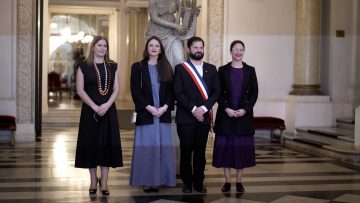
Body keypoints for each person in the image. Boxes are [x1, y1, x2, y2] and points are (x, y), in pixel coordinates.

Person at [74, 36, 123, 196]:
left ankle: (105, 182)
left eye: (105, 46)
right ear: (93, 47)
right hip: (90, 111)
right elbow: (80, 90)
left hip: (108, 110)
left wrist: (107, 105)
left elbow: (116, 89)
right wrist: (95, 107)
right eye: (99, 45)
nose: (102, 48)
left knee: (106, 145)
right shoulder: (83, 66)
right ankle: (93, 179)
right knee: (91, 144)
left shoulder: (113, 66)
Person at [173, 36, 220, 193]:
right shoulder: (181, 69)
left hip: (204, 117)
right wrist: (194, 109)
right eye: (195, 47)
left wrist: (204, 109)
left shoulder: (211, 69)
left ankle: (199, 182)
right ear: (189, 49)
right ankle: (187, 183)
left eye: (201, 47)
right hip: (186, 117)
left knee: (200, 151)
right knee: (186, 150)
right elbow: (178, 93)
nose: (199, 50)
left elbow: (216, 92)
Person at [129, 36, 176, 192]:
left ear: (161, 49)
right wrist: (148, 107)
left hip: (162, 114)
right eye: (151, 45)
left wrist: (164, 108)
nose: (154, 48)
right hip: (147, 114)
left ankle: (160, 180)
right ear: (146, 48)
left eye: (157, 46)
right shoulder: (138, 67)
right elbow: (135, 91)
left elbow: (171, 92)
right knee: (147, 149)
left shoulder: (167, 67)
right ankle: (147, 181)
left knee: (162, 149)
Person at [212, 40, 258, 193]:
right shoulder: (222, 70)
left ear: (244, 52)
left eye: (241, 50)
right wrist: (226, 108)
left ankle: (239, 181)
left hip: (243, 117)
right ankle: (227, 181)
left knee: (241, 150)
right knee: (226, 150)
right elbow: (217, 92)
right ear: (230, 51)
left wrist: (245, 109)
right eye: (235, 49)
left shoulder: (251, 70)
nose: (238, 52)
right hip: (226, 117)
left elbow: (254, 93)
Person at [146, 0, 200, 68]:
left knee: (179, 58)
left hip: (172, 33)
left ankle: (178, 77)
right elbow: (154, 18)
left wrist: (193, 13)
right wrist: (175, 26)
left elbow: (181, 11)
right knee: (158, 62)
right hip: (157, 34)